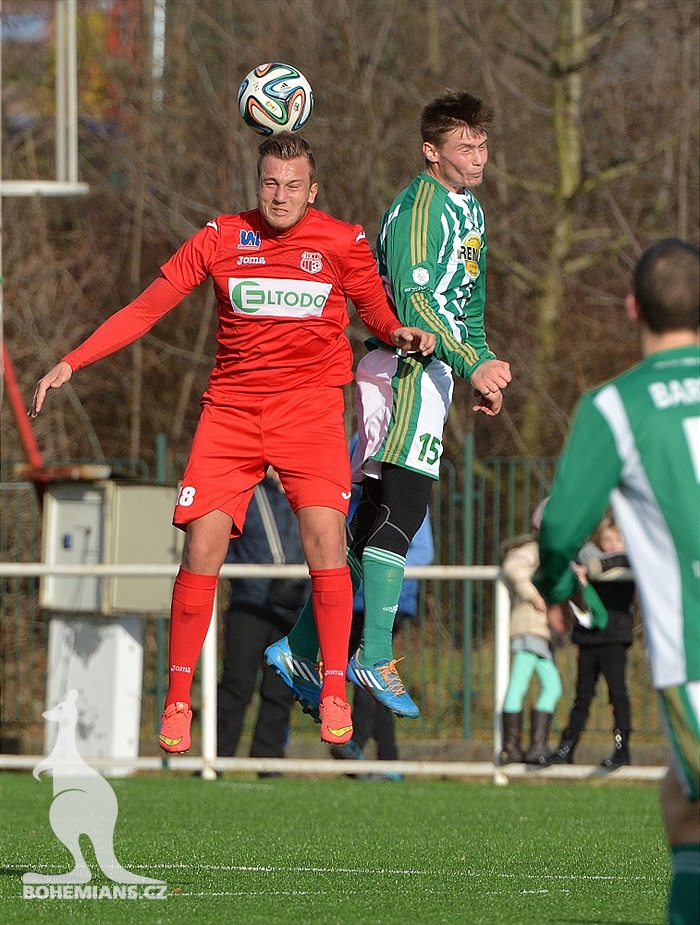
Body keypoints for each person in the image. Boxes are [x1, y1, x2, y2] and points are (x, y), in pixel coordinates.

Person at [29, 131, 436, 752]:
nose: (280, 195)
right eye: (270, 183)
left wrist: (400, 332)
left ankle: (330, 687)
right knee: (202, 548)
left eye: (293, 185)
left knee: (327, 539)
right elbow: (146, 308)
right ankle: (176, 700)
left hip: (311, 412)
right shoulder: (221, 237)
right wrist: (73, 361)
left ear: (312, 190)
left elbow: (376, 312)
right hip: (234, 413)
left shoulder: (341, 240)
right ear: (258, 183)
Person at [266, 91, 511, 719]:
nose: (477, 156)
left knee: (372, 520)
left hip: (435, 374)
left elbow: (467, 305)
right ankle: (372, 654)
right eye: (465, 146)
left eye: (482, 144)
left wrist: (477, 366)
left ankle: (296, 648)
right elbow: (414, 303)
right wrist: (471, 361)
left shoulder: (471, 211)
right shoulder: (418, 210)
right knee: (402, 506)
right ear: (432, 151)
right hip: (402, 369)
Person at [534, 238, 699, 925]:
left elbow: (560, 529)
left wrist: (557, 583)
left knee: (686, 809)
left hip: (694, 666)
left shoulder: (616, 406)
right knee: (682, 801)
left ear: (633, 307)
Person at [331, 510, 434, 776]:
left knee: (368, 670)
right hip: (354, 600)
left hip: (389, 601)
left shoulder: (408, 494)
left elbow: (423, 553)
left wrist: (375, 567)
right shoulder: (356, 498)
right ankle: (390, 759)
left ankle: (356, 742)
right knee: (373, 674)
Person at [217, 469, 309, 765]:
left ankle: (269, 760)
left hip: (294, 607)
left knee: (281, 688)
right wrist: (245, 582)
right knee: (236, 683)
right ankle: (218, 757)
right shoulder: (245, 493)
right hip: (250, 604)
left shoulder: (305, 492)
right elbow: (223, 544)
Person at [550, 515, 636, 769]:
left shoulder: (629, 561)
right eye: (607, 539)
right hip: (589, 638)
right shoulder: (586, 558)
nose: (612, 544)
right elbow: (578, 563)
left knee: (617, 694)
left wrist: (594, 568)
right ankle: (566, 747)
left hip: (615, 637)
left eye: (617, 539)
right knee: (582, 696)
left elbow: (616, 563)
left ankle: (622, 749)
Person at [499, 500, 562, 766]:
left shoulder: (552, 553)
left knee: (552, 687)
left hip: (542, 631)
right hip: (529, 626)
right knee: (522, 684)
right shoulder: (532, 550)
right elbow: (513, 568)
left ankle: (535, 746)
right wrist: (535, 597)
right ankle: (512, 747)